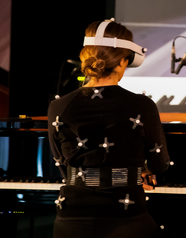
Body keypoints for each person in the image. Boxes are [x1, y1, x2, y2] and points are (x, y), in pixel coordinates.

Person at [48, 19, 170, 238]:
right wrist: (142, 170)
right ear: (123, 60)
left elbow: (61, 162)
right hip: (126, 219)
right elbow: (159, 164)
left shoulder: (59, 106)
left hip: (71, 219)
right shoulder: (142, 105)